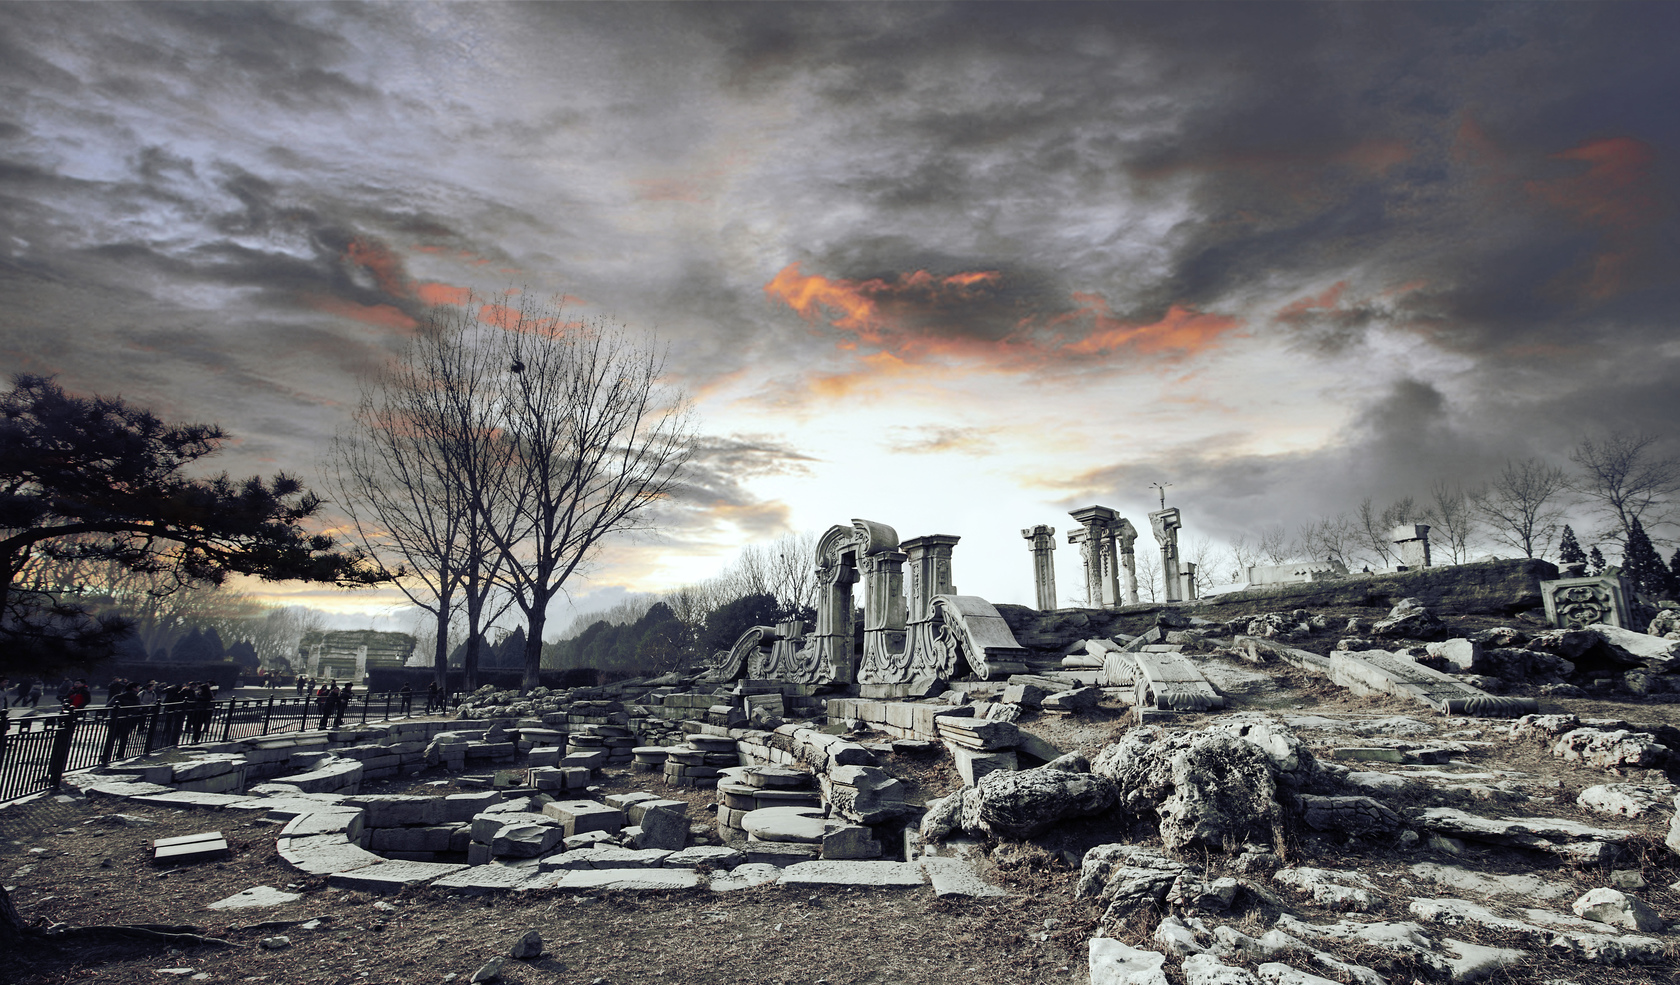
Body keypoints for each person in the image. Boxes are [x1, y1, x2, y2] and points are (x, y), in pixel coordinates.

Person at [101, 682, 143, 763]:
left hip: (115, 719)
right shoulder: (135, 698)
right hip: (127, 720)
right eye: (138, 687)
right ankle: (120, 756)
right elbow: (137, 709)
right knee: (123, 739)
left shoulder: (118, 696)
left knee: (111, 738)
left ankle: (106, 756)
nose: (139, 689)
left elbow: (108, 706)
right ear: (133, 688)